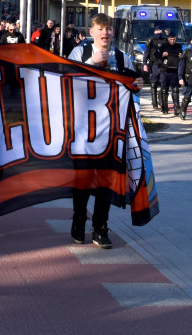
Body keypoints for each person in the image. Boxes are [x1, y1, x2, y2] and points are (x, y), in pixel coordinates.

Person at [67, 13, 140, 249]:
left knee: (106, 180)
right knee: (83, 179)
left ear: (113, 33)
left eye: (108, 29)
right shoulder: (80, 53)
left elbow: (132, 85)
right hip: (83, 129)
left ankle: (100, 227)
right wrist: (92, 63)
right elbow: (67, 81)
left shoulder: (122, 57)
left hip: (112, 130)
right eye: (100, 29)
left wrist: (137, 86)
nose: (105, 33)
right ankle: (79, 220)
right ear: (92, 32)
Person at [157, 31, 182, 115]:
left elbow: (182, 57)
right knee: (164, 90)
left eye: (174, 39)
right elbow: (157, 56)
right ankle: (164, 108)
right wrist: (162, 55)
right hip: (165, 71)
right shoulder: (163, 46)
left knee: (175, 90)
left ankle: (176, 108)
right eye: (171, 39)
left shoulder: (178, 46)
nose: (172, 41)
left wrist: (180, 56)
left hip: (174, 71)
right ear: (168, 39)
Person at [143, 26, 166, 109]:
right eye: (157, 30)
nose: (159, 32)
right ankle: (154, 103)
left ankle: (161, 100)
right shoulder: (151, 41)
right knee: (154, 84)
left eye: (160, 30)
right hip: (154, 65)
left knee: (164, 84)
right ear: (154, 32)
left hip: (163, 65)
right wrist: (145, 64)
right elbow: (146, 54)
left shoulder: (165, 41)